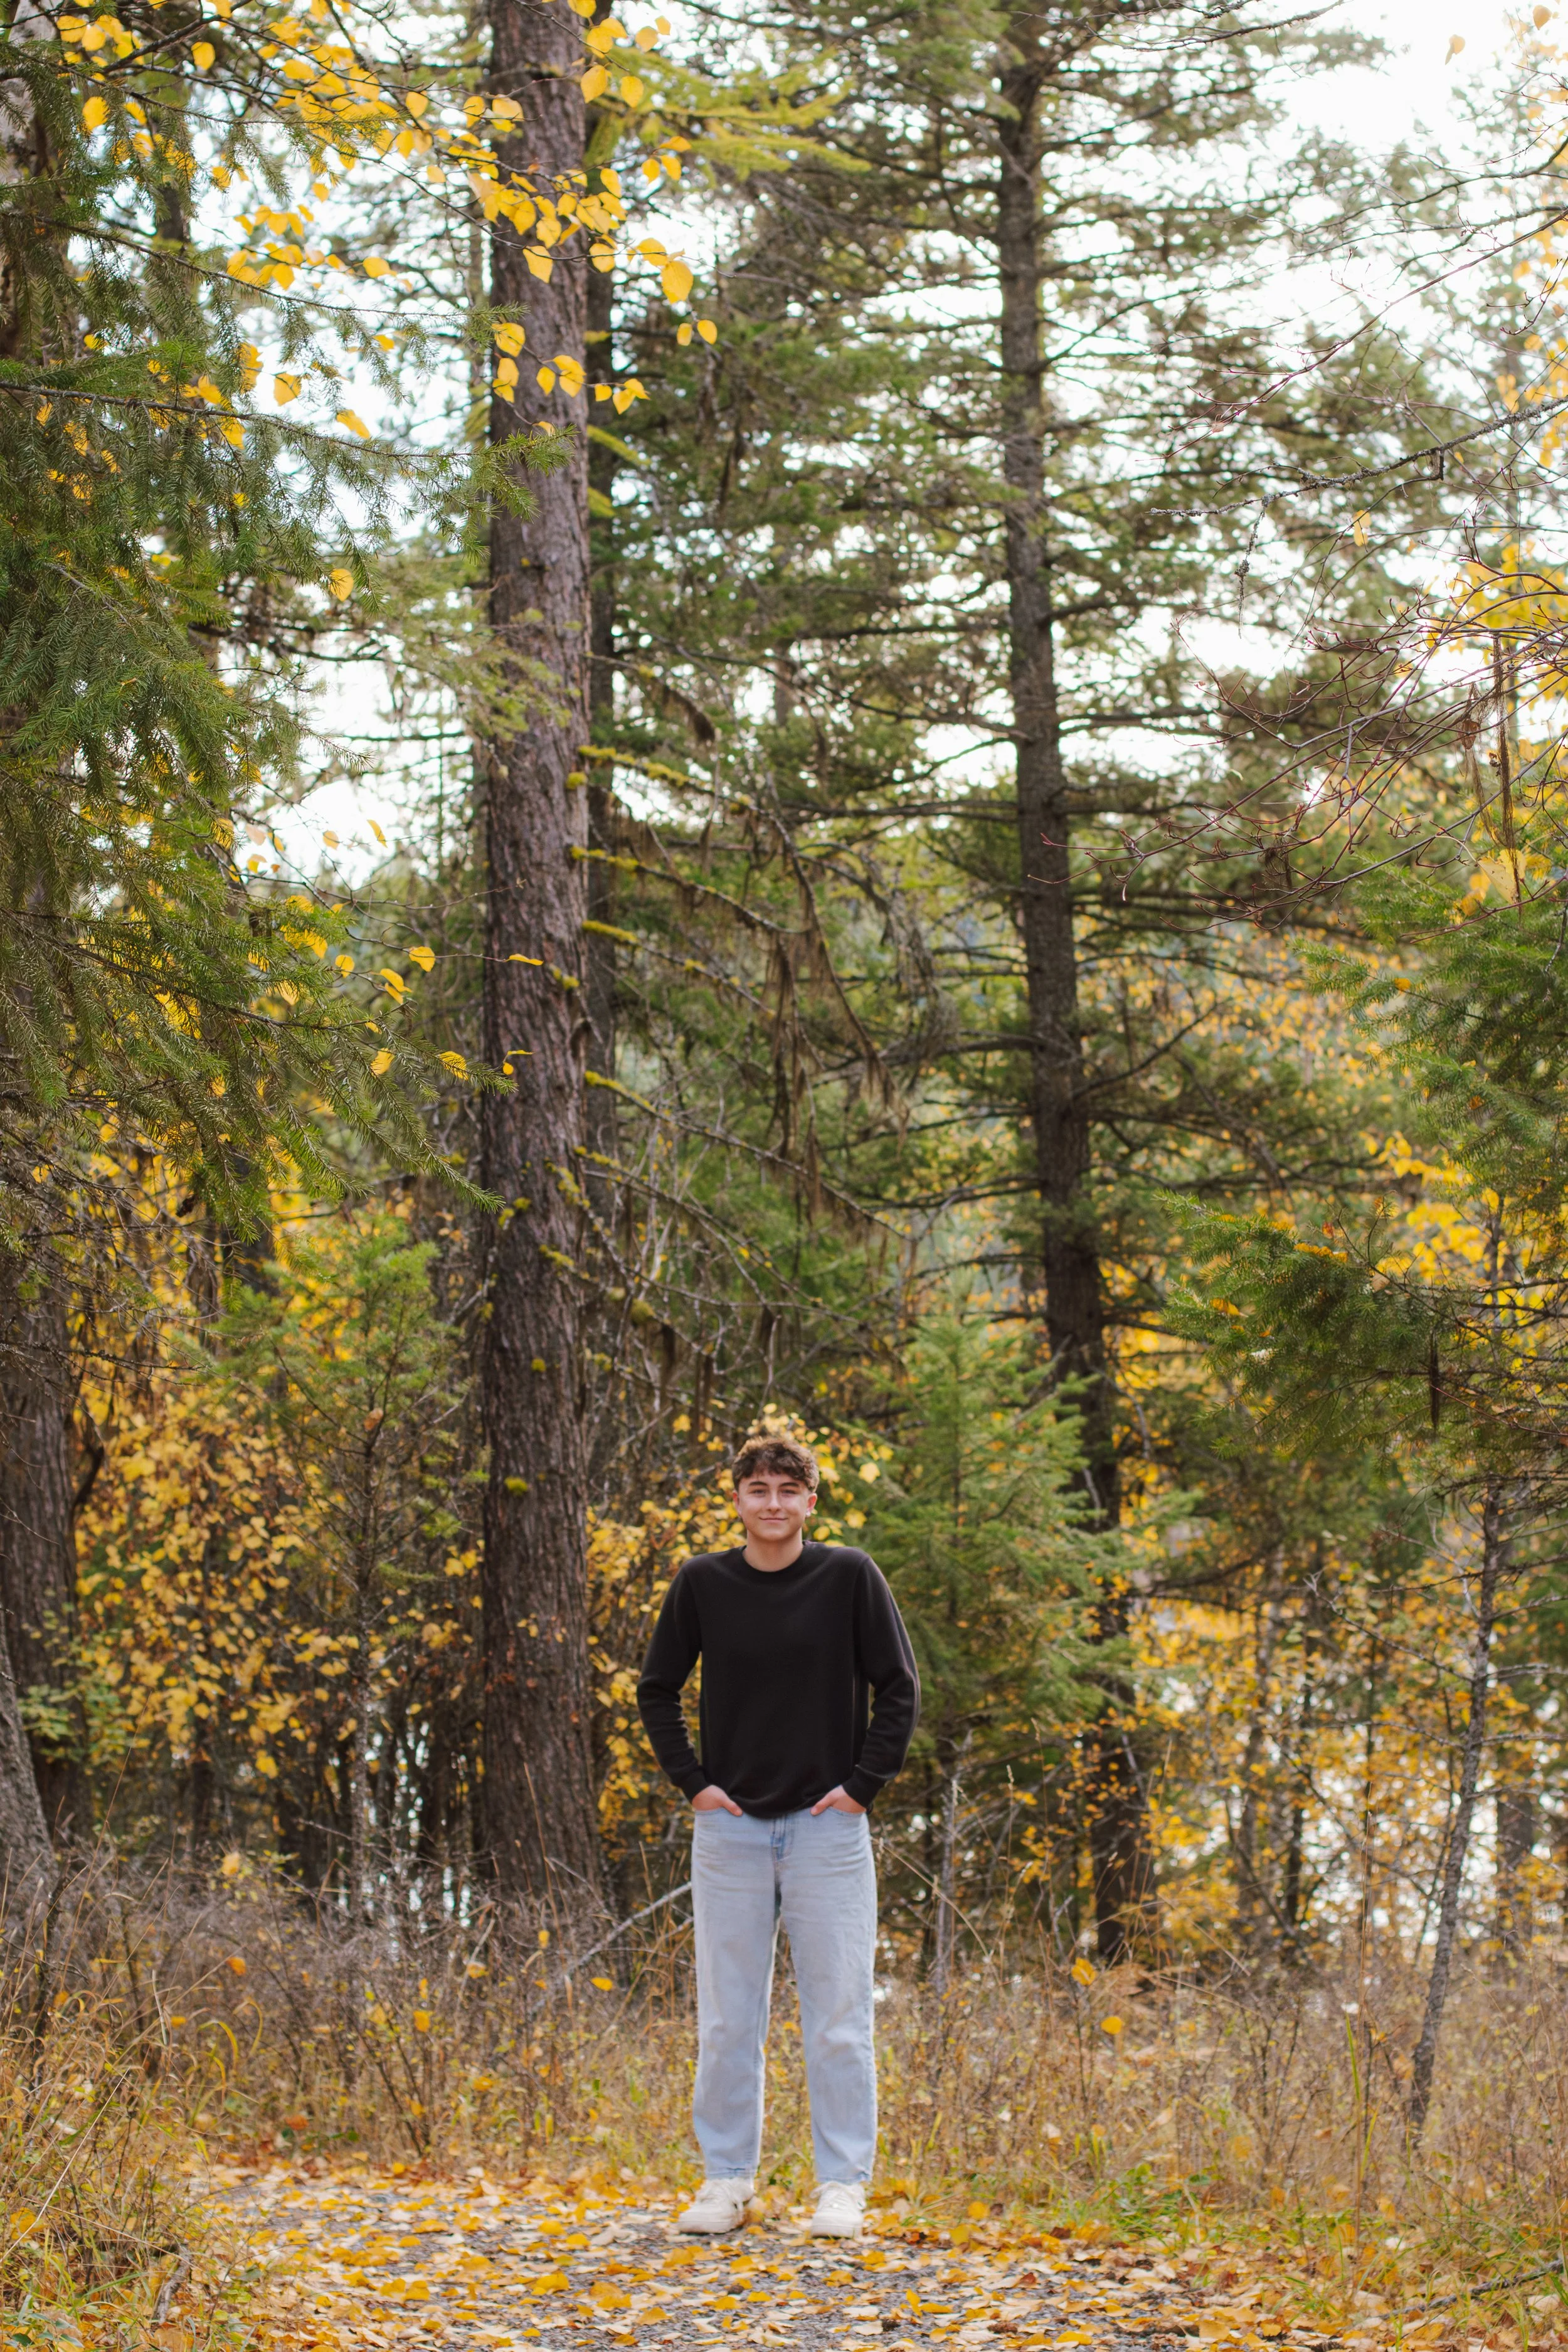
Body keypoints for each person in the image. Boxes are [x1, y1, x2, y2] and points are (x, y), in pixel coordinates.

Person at [637, 1432, 920, 2241]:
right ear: (737, 1499)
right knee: (728, 2018)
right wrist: (696, 1785)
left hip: (827, 1830)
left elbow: (899, 1687)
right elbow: (657, 1690)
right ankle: (726, 2181)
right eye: (756, 1488)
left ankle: (842, 2187)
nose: (771, 1503)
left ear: (809, 1502)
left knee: (837, 2016)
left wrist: (862, 1789)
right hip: (729, 1832)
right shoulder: (702, 1582)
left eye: (786, 1490)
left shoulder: (849, 1577)